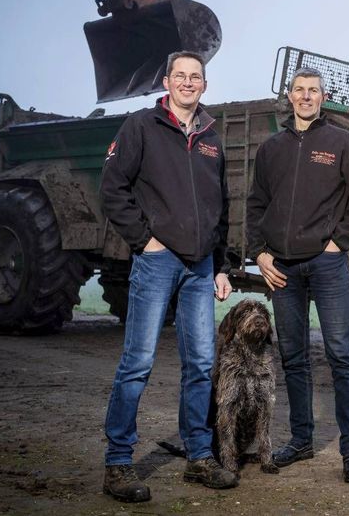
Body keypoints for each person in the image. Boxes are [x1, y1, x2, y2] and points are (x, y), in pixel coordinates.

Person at [99, 51, 236, 503]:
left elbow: (221, 207)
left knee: (200, 364)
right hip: (157, 262)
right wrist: (144, 240)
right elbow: (112, 187)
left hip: (200, 267)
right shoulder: (141, 126)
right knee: (137, 363)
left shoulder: (213, 137)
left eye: (195, 77)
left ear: (204, 85)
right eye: (181, 76)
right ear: (167, 81)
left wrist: (220, 265)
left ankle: (199, 456)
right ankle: (118, 464)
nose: (188, 83)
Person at [246, 66, 349, 483]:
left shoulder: (342, 143)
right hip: (282, 267)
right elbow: (255, 206)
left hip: (326, 263)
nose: (306, 97)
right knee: (294, 357)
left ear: (323, 98)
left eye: (313, 91)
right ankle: (301, 440)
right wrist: (260, 254)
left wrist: (338, 243)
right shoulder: (271, 149)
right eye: (299, 90)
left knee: (341, 355)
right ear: (290, 95)